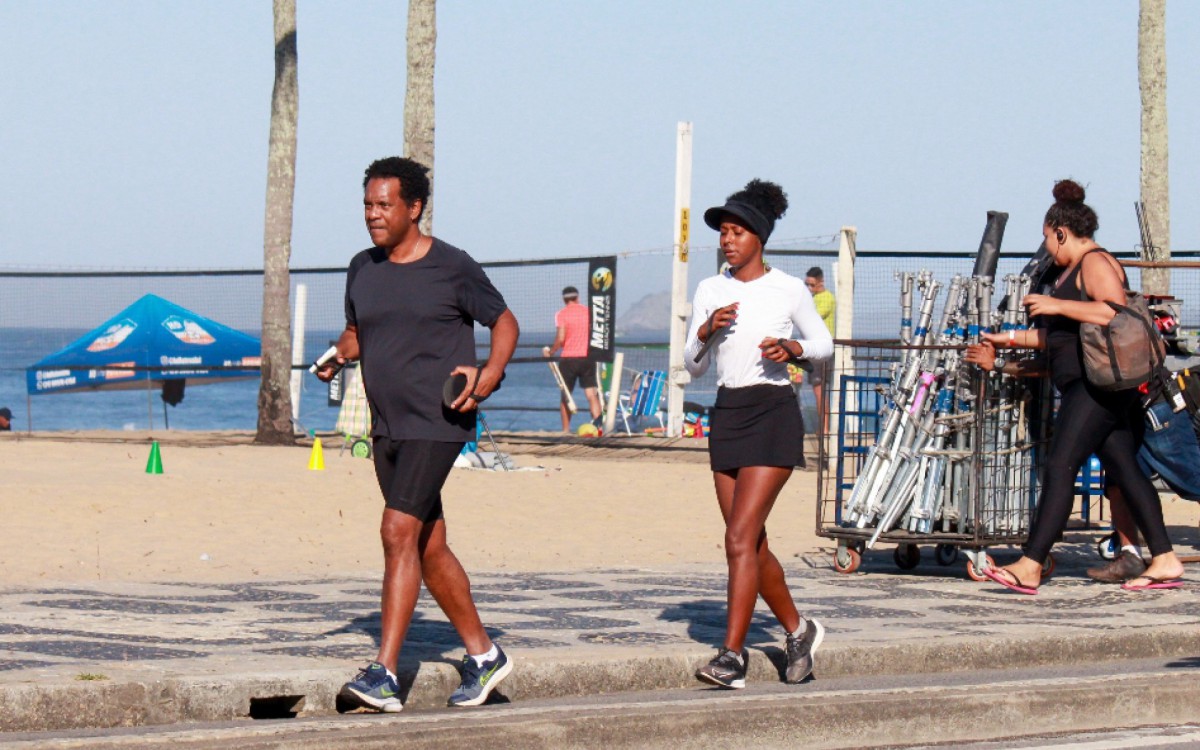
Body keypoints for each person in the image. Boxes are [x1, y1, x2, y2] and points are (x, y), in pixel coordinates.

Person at [316, 156, 519, 711]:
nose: (373, 215)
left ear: (414, 207)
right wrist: (337, 354)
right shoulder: (362, 267)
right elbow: (358, 331)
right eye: (367, 204)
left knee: (396, 531)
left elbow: (503, 321)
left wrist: (491, 373)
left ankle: (384, 674)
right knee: (428, 545)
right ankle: (483, 656)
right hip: (388, 424)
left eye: (384, 205)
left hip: (439, 418)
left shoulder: (452, 267)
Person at [966, 179, 1183, 594]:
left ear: (1061, 232)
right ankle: (1165, 558)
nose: (1047, 247)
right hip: (1087, 386)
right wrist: (1006, 341)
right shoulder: (1069, 271)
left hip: (1094, 387)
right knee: (1125, 469)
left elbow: (1114, 312)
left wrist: (1057, 304)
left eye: (1049, 238)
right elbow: (1061, 338)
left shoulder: (1095, 263)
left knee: (1060, 466)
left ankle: (1030, 564)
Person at [684, 179, 833, 689]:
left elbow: (824, 345)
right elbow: (692, 367)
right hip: (728, 413)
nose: (728, 240)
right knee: (752, 542)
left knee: (738, 537)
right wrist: (705, 332)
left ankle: (731, 655)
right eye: (724, 232)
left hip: (772, 414)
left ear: (759, 238)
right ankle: (798, 630)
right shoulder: (710, 290)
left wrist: (792, 350)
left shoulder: (788, 289)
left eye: (737, 231)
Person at [967, 351, 1200, 583]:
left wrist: (1008, 340)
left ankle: (1033, 562)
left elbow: (1056, 345)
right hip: (1124, 409)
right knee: (1120, 482)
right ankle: (1133, 556)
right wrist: (1000, 363)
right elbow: (1055, 359)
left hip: (1152, 408)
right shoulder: (1070, 333)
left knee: (1192, 482)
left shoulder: (1083, 319)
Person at [542, 285, 602, 432]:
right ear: (578, 297)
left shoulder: (561, 314)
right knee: (591, 394)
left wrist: (552, 350)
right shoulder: (588, 312)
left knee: (566, 395)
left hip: (568, 359)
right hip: (587, 357)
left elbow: (561, 339)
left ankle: (566, 430)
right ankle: (598, 428)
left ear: (564, 299)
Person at [804, 267, 835, 434]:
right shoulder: (813, 299)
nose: (809, 288)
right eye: (806, 284)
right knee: (818, 389)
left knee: (820, 389)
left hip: (823, 351)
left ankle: (824, 427)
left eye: (812, 285)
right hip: (812, 350)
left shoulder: (827, 298)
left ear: (820, 282)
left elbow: (813, 317)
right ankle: (822, 426)